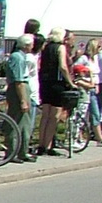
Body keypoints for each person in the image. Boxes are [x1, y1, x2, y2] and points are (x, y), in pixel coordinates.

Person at [34, 28, 73, 156]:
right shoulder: (60, 48)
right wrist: (70, 82)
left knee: (45, 115)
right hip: (57, 83)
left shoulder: (46, 47)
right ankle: (48, 145)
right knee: (54, 116)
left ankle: (41, 144)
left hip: (45, 82)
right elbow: (62, 66)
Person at [4, 33, 37, 161]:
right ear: (26, 45)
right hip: (19, 89)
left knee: (25, 122)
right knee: (16, 121)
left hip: (23, 87)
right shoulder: (17, 58)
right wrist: (23, 100)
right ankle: (12, 152)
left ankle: (23, 151)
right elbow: (18, 81)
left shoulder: (22, 57)